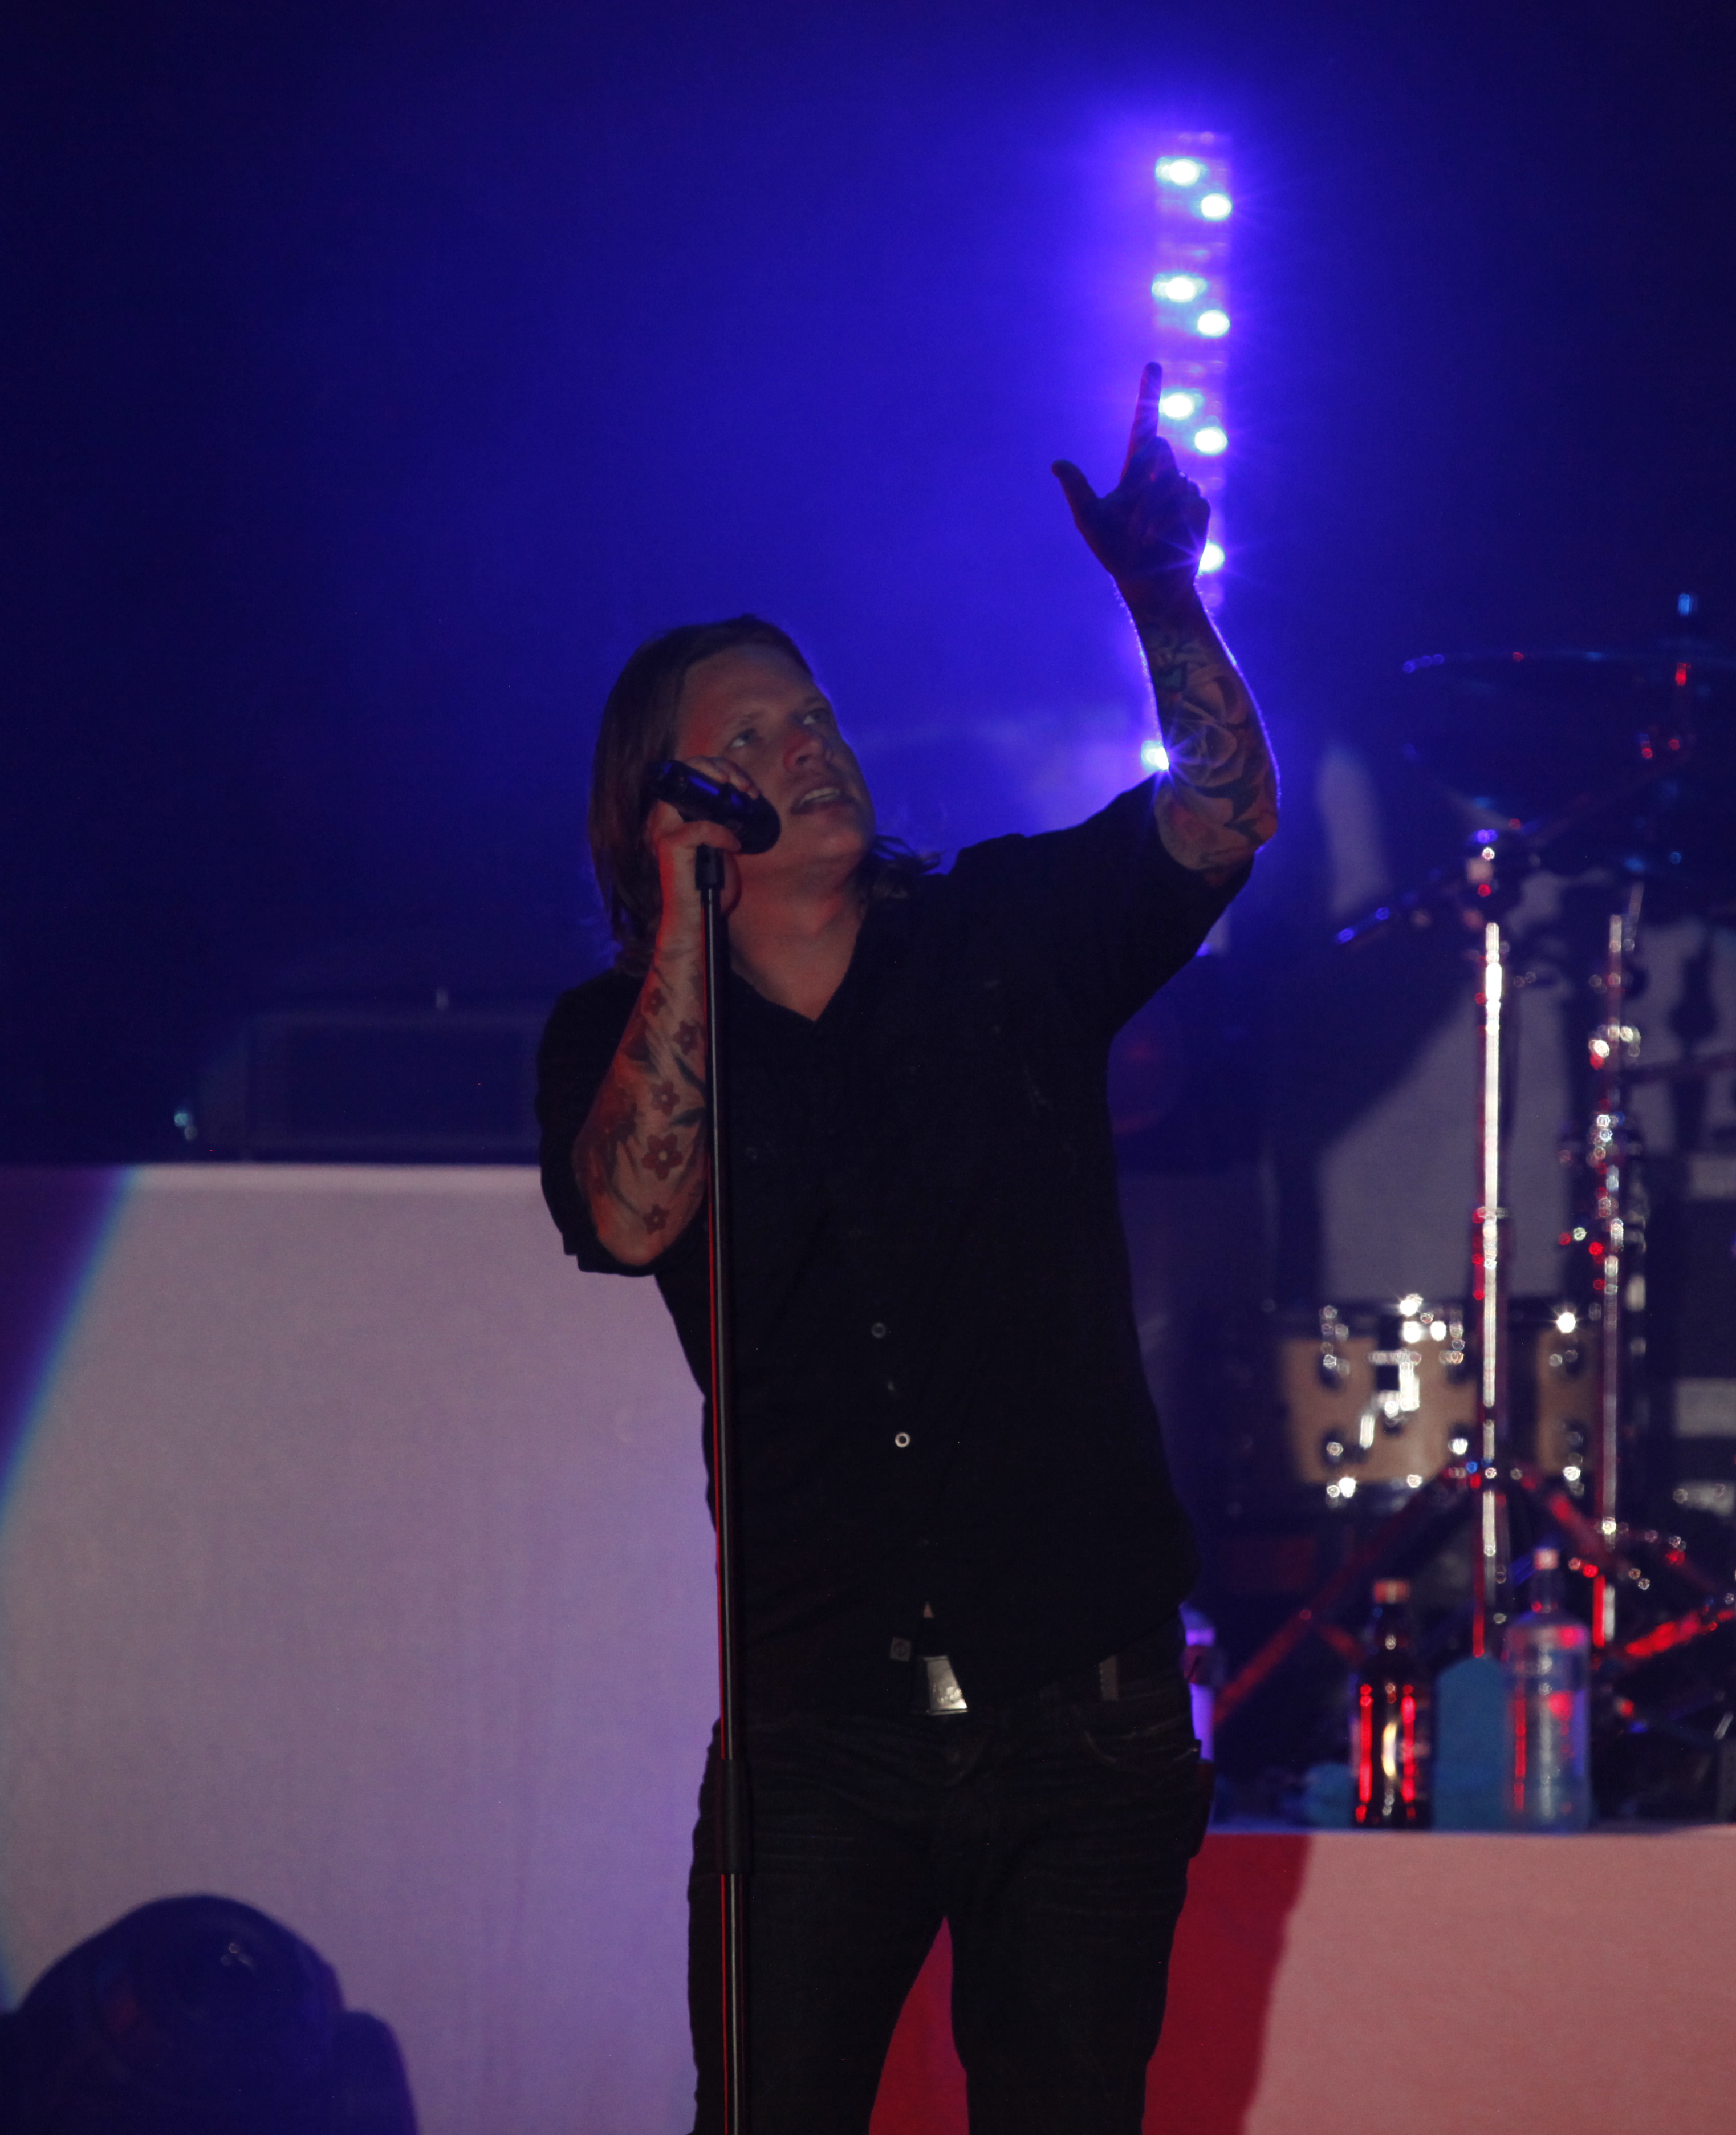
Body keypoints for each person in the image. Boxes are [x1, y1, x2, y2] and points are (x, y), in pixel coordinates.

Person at [533, 366, 1275, 2134]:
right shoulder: (616, 1034)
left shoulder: (1003, 933)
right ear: (669, 803)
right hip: (817, 1738)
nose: (811, 747)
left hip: (1082, 1714)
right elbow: (631, 1216)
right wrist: (687, 917)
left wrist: (1161, 591)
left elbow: (1219, 818)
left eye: (815, 715)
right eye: (753, 740)